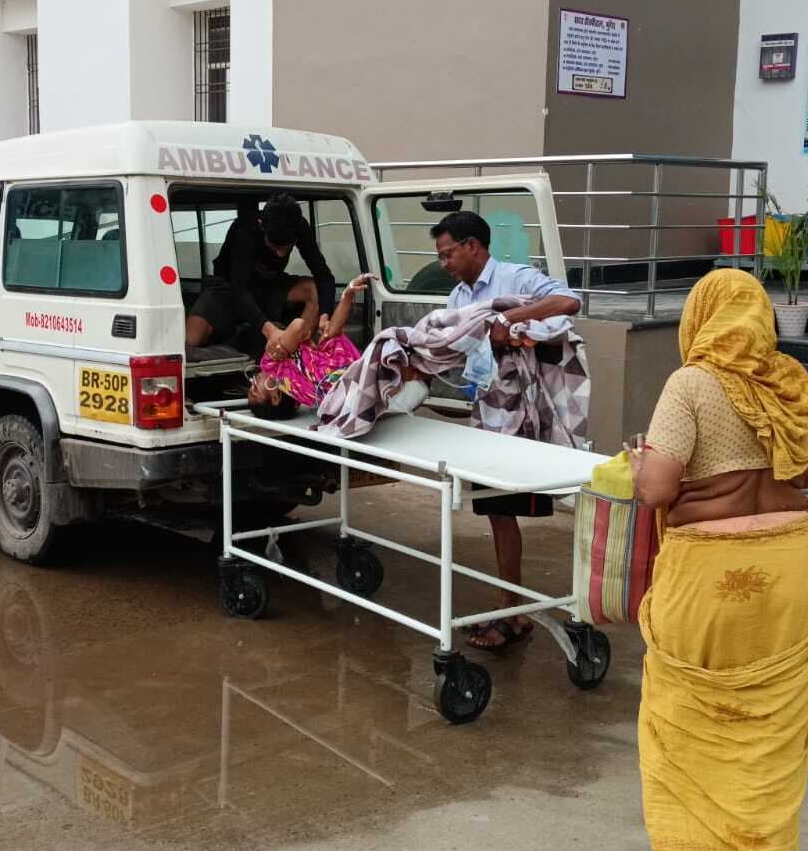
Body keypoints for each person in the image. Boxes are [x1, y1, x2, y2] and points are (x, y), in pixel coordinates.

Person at [625, 269, 808, 851]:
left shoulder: (691, 383)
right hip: (793, 565)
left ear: (702, 318)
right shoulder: (788, 379)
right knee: (768, 733)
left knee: (687, 726)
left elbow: (657, 488)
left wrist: (636, 462)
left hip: (710, 575)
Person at [431, 210, 582, 652]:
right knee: (496, 512)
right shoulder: (459, 298)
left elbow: (567, 303)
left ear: (472, 246)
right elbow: (452, 347)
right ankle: (510, 609)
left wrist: (511, 320)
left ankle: (512, 614)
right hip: (487, 417)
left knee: (505, 509)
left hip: (522, 416)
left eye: (447, 254)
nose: (444, 264)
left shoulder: (516, 277)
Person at [245, 274, 431, 419]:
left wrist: (348, 295)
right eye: (254, 388)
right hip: (350, 391)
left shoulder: (272, 362)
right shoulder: (288, 375)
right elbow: (300, 327)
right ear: (275, 397)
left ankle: (417, 370)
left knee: (389, 361)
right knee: (392, 370)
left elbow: (321, 330)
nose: (253, 379)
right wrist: (291, 337)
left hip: (357, 382)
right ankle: (419, 372)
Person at [186, 194, 337, 359]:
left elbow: (324, 276)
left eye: (287, 248)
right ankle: (236, 337)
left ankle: (298, 349)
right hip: (229, 287)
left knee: (312, 288)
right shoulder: (244, 229)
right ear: (261, 226)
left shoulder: (300, 227)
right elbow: (239, 288)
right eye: (275, 247)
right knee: (192, 338)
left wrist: (325, 315)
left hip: (269, 285)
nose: (280, 255)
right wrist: (270, 330)